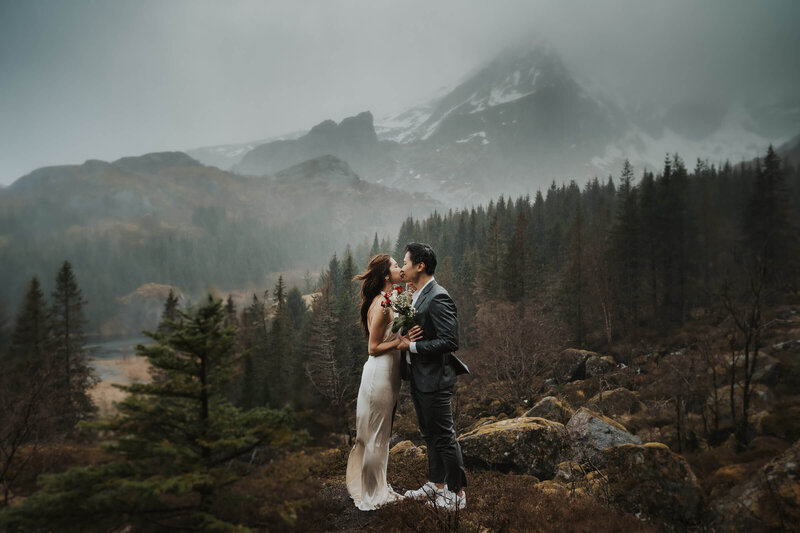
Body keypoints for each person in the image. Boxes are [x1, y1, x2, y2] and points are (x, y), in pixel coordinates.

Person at [346, 254, 422, 511]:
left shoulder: (393, 299)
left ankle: (378, 486)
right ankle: (372, 494)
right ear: (386, 275)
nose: (400, 268)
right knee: (375, 436)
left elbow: (398, 323)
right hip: (378, 374)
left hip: (389, 374)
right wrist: (400, 343)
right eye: (395, 265)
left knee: (380, 435)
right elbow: (373, 347)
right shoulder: (381, 303)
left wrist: (409, 299)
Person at [399, 242, 470, 511]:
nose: (403, 267)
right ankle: (436, 483)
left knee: (444, 436)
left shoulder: (438, 296)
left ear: (420, 266)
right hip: (419, 378)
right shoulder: (417, 294)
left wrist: (412, 347)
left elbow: (450, 341)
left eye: (405, 262)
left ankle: (456, 493)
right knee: (429, 434)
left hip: (435, 379)